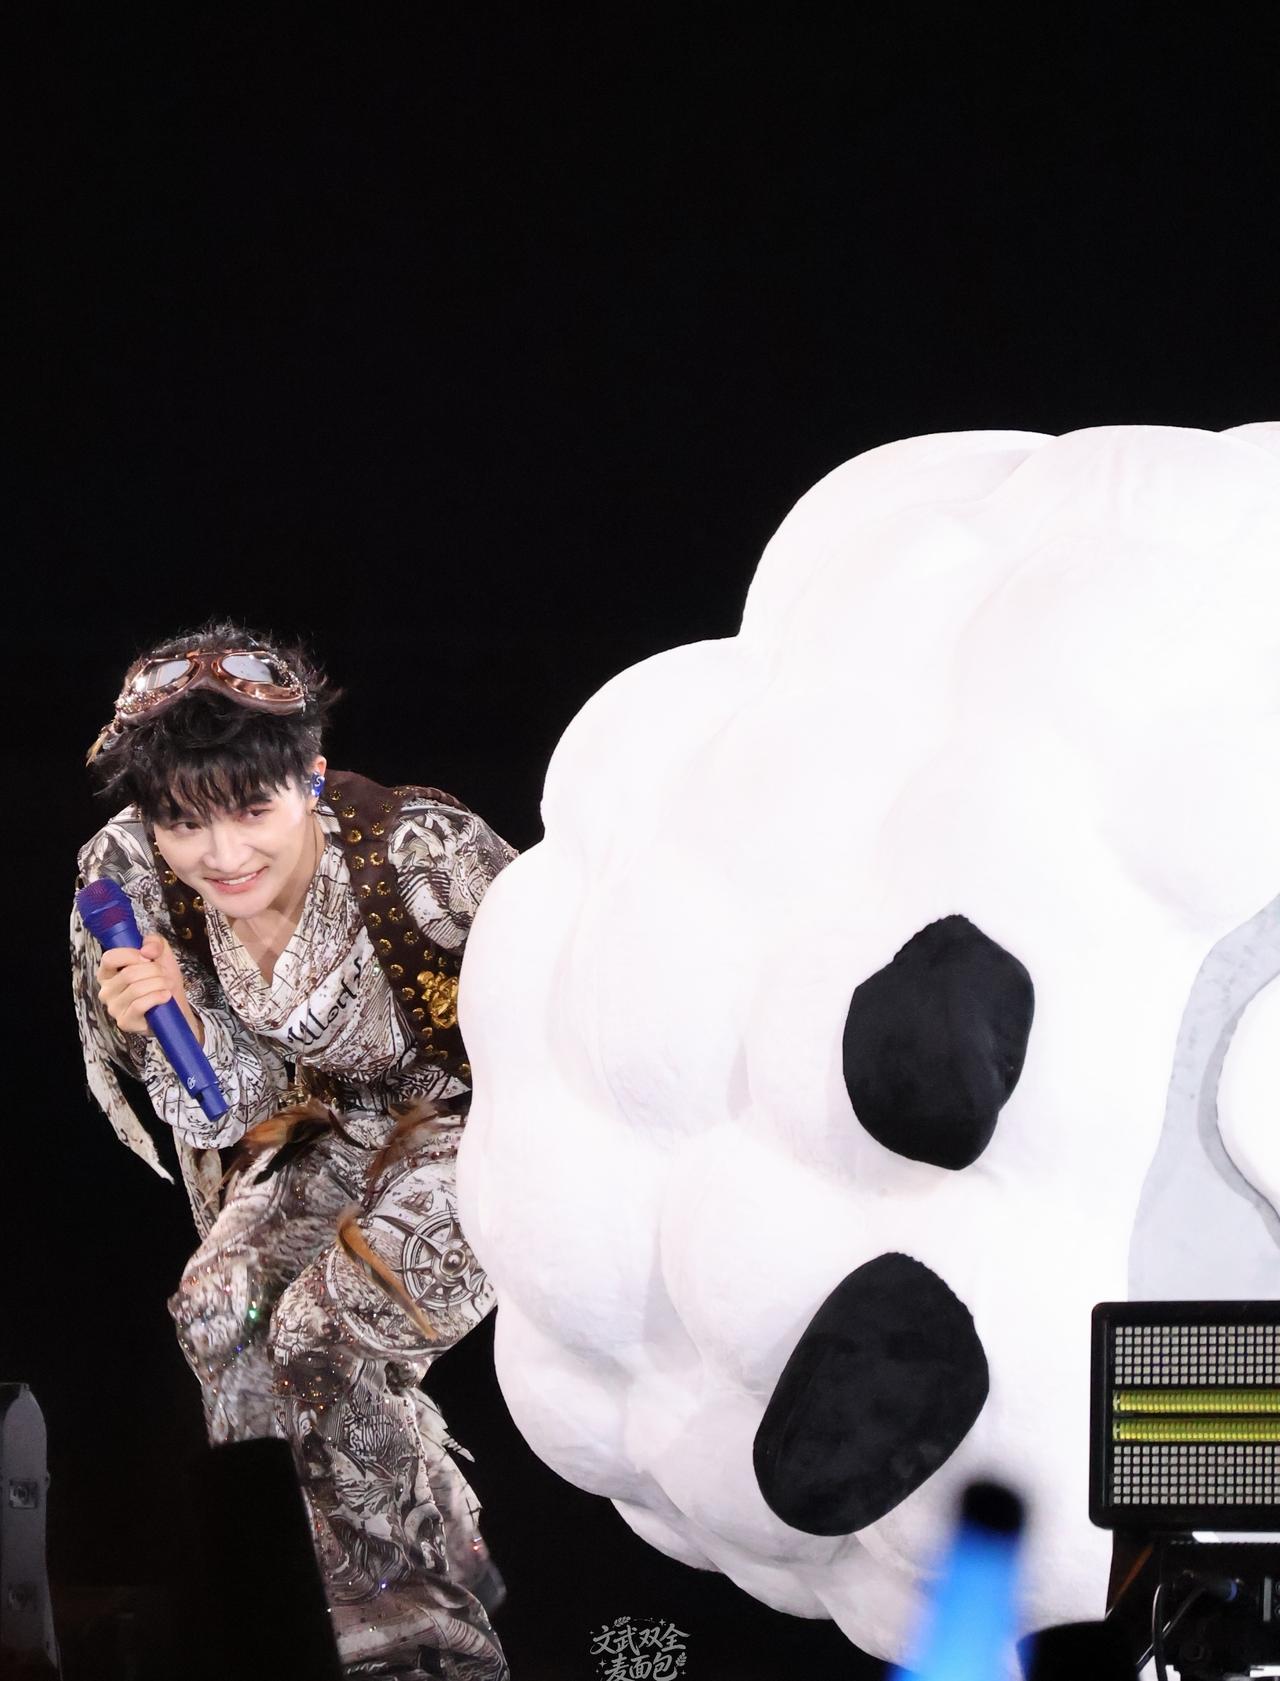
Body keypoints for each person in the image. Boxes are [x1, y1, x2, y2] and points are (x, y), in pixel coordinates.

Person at [70, 623, 516, 1680]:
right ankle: (305, 1597)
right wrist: (173, 1024)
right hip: (316, 1121)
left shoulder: (425, 852)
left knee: (321, 1331)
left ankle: (423, 1634)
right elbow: (229, 1109)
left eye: (252, 811)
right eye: (185, 821)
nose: (222, 855)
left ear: (309, 777)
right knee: (218, 1308)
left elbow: (575, 1016)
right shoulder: (125, 875)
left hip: (484, 1116)